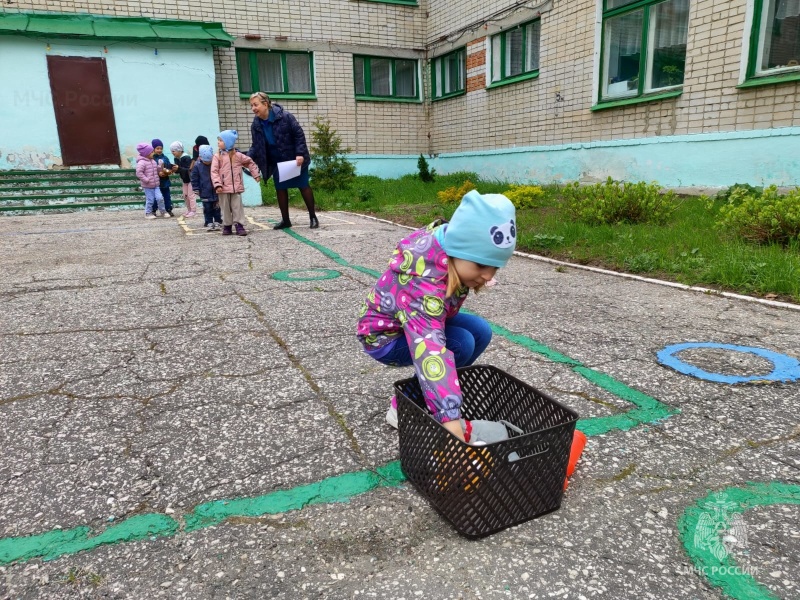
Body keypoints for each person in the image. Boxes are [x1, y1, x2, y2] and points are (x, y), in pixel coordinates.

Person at [356, 190, 517, 441]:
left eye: (494, 266)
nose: (488, 275)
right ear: (458, 250)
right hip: (384, 338)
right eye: (481, 266)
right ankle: (404, 406)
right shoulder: (424, 284)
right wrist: (450, 420)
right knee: (460, 344)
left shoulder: (451, 252)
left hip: (413, 322)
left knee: (480, 331)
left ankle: (429, 395)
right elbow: (430, 350)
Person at [247, 92, 318, 230]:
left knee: (303, 186)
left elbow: (299, 135)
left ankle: (313, 217)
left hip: (294, 159)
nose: (253, 108)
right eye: (251, 106)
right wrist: (247, 158)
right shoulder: (256, 124)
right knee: (280, 189)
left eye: (255, 105)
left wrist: (300, 153)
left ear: (265, 104)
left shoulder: (285, 117)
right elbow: (256, 145)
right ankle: (286, 220)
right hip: (276, 162)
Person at [211, 129, 261, 237]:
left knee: (237, 207)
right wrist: (217, 184)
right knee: (225, 207)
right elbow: (214, 172)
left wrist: (255, 174)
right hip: (222, 188)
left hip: (236, 187)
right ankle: (227, 225)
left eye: (220, 140)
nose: (218, 142)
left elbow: (250, 163)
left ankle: (239, 225)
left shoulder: (238, 156)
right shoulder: (217, 157)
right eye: (218, 140)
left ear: (228, 142)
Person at [191, 144, 222, 231]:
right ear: (200, 157)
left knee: (217, 207)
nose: (208, 163)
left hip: (215, 190)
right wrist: (196, 188)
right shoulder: (197, 166)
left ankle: (218, 221)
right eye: (205, 161)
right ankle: (208, 221)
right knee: (207, 208)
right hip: (204, 191)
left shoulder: (215, 163)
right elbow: (194, 178)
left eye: (209, 161)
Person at [135, 142, 166, 219]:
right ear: (146, 153)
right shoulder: (141, 162)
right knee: (150, 200)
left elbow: (157, 169)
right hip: (147, 186)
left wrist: (160, 166)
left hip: (156, 185)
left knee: (160, 198)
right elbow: (139, 173)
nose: (153, 153)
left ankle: (163, 211)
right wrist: (146, 179)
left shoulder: (153, 161)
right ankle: (148, 213)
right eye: (152, 152)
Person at [170, 141, 197, 217]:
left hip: (190, 179)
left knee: (191, 195)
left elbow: (188, 169)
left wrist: (179, 168)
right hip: (184, 180)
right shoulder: (176, 159)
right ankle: (189, 210)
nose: (172, 153)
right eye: (171, 151)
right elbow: (179, 170)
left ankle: (193, 210)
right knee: (185, 195)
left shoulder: (186, 158)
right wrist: (174, 170)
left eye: (174, 151)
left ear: (179, 150)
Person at [152, 138, 177, 217]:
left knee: (167, 196)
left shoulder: (165, 158)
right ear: (153, 149)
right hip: (156, 182)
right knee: (156, 197)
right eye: (157, 148)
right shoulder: (152, 159)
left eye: (161, 148)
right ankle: (153, 210)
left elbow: (168, 166)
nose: (159, 150)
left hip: (165, 181)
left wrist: (169, 171)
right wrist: (158, 173)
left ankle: (168, 209)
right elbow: (151, 169)